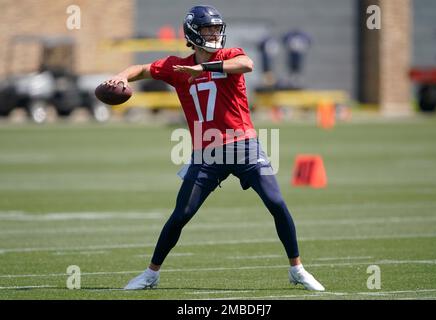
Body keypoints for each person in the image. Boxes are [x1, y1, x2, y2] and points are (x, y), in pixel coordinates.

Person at [104, 5, 325, 292]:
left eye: (216, 29)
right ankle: (150, 275)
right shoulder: (178, 66)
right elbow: (144, 69)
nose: (214, 34)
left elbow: (248, 64)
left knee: (276, 202)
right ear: (194, 33)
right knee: (181, 214)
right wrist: (121, 75)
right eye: (208, 29)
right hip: (207, 153)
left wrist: (204, 68)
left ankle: (297, 269)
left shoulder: (228, 56)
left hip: (244, 145)